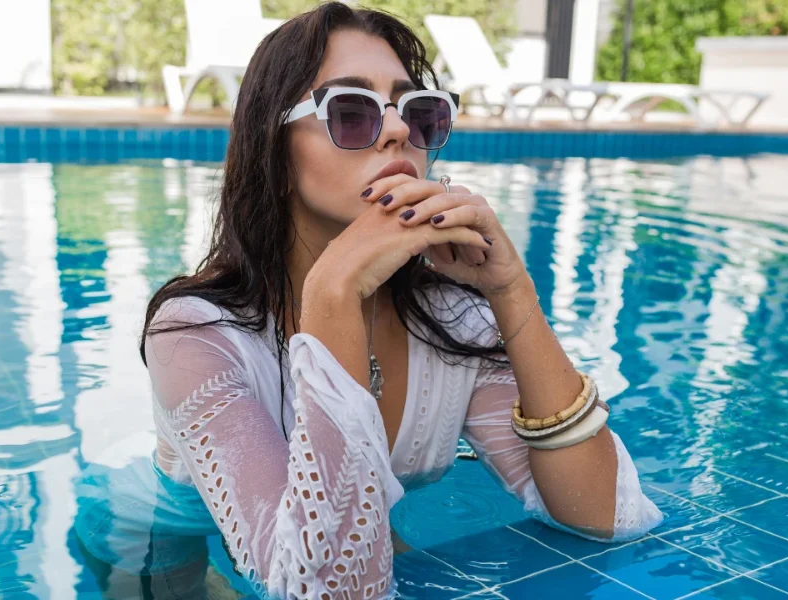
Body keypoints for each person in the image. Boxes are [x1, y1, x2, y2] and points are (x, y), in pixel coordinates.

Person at [75, 3, 662, 598]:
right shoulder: (195, 335)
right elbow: (326, 592)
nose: (399, 130)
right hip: (159, 534)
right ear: (275, 154)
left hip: (319, 532)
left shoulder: (452, 319)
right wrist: (333, 295)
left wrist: (511, 294)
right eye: (350, 112)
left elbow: (606, 519)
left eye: (420, 112)